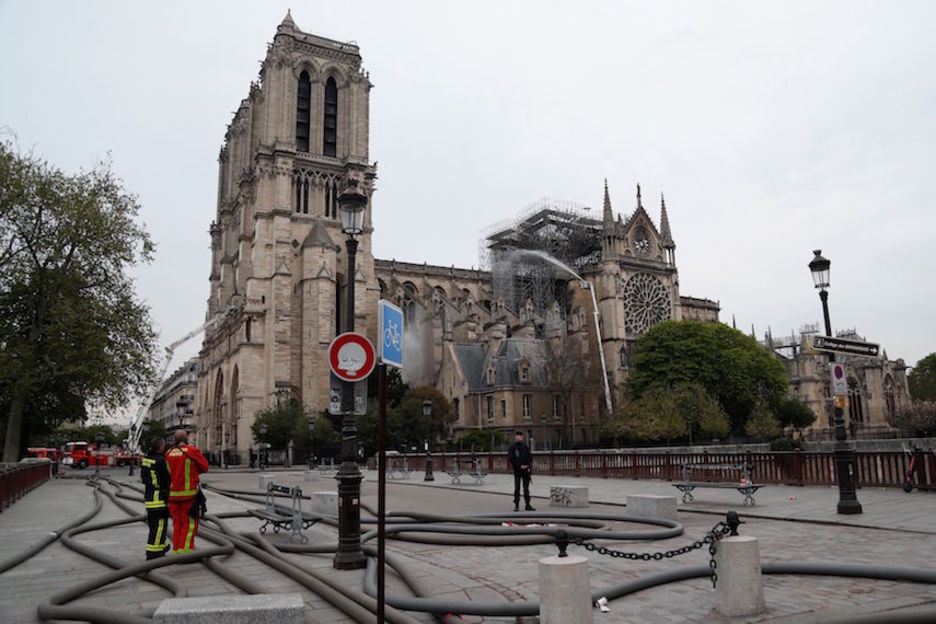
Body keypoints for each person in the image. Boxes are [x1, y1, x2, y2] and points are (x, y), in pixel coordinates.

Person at [166, 430, 209, 555]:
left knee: (177, 524)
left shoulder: (168, 453)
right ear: (186, 438)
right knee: (189, 525)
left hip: (173, 495)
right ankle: (185, 552)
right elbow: (205, 467)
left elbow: (169, 473)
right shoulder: (192, 451)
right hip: (189, 495)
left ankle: (177, 550)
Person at [141, 437, 171, 560]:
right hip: (160, 498)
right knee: (160, 526)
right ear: (160, 446)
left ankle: (160, 545)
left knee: (153, 525)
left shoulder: (146, 460)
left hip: (149, 497)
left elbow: (143, 478)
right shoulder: (162, 461)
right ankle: (155, 552)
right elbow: (167, 478)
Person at [507, 430, 535, 512]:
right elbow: (511, 459)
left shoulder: (525, 447)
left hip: (526, 471)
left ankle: (527, 504)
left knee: (526, 488)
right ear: (515, 437)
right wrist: (519, 466)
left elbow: (530, 458)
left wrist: (528, 466)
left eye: (521, 436)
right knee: (517, 488)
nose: (520, 438)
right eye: (518, 436)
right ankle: (516, 504)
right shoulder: (512, 447)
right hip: (517, 470)